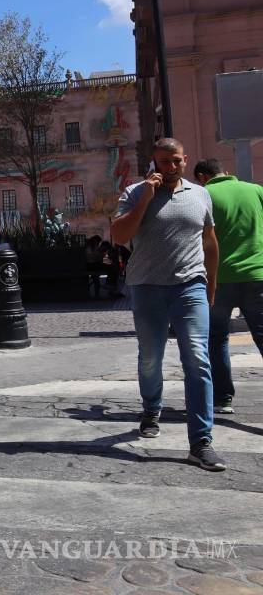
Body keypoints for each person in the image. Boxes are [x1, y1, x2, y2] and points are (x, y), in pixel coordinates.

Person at [111, 138, 224, 471]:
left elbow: (209, 242)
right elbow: (119, 235)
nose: (171, 167)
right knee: (151, 358)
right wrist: (146, 196)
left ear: (185, 160)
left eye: (176, 161)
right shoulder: (134, 193)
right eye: (164, 161)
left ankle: (201, 442)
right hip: (147, 288)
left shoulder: (200, 195)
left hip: (190, 286)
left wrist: (211, 284)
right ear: (153, 162)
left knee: (198, 359)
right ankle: (151, 408)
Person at [193, 159, 263, 415]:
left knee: (217, 339)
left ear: (202, 176)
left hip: (218, 279)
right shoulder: (256, 190)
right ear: (225, 171)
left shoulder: (203, 195)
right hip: (257, 275)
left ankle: (223, 399)